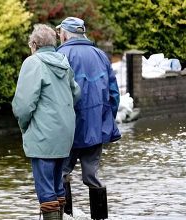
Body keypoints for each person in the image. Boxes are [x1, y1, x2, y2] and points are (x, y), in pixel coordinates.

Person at [12, 24, 81, 220]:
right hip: (65, 132)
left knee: (45, 189)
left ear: (34, 44)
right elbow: (76, 93)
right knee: (57, 185)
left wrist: (24, 126)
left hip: (43, 134)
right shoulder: (63, 61)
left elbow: (23, 105)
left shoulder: (32, 63)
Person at [56, 17, 121, 219]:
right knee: (92, 176)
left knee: (61, 174)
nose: (59, 36)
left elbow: (56, 94)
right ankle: (100, 218)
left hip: (70, 129)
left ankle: (65, 215)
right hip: (96, 128)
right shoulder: (101, 55)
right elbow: (114, 94)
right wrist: (106, 121)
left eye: (60, 33)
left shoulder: (60, 55)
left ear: (65, 34)